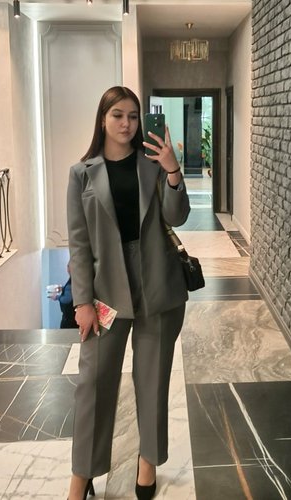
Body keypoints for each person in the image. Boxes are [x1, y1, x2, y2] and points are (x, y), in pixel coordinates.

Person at [66, 86, 190, 500]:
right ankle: (82, 475)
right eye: (117, 115)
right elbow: (79, 244)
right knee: (93, 382)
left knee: (152, 380)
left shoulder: (153, 165)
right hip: (105, 290)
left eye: (133, 116)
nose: (126, 123)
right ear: (103, 119)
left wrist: (173, 171)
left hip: (158, 284)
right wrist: (82, 302)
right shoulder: (82, 174)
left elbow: (177, 216)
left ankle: (147, 462)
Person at [48, 263, 79, 329]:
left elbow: (67, 299)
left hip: (69, 318)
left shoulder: (72, 281)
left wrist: (57, 297)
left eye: (68, 267)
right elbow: (71, 290)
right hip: (74, 316)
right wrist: (62, 288)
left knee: (65, 333)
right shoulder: (76, 279)